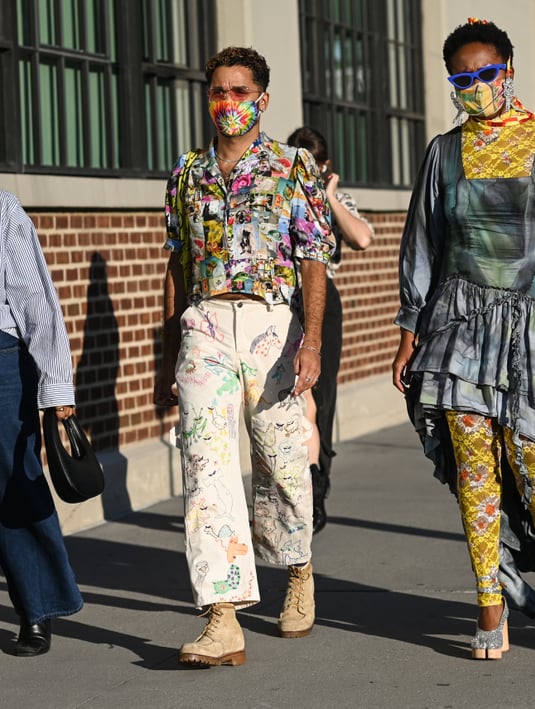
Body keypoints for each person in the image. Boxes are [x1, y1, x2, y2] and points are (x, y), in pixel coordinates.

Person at [392, 18, 535, 661]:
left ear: (509, 71)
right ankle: (489, 607)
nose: (475, 87)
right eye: (461, 79)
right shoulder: (443, 152)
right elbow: (423, 245)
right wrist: (410, 331)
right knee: (474, 472)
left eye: (486, 74)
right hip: (459, 328)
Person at [154, 46, 335, 667]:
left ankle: (299, 569)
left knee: (281, 459)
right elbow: (177, 264)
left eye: (238, 91)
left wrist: (311, 340)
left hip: (271, 324)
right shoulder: (186, 173)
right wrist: (167, 348)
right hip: (204, 322)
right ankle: (222, 616)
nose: (226, 102)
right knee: (205, 467)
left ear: (263, 97)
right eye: (218, 92)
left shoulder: (293, 167)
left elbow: (315, 258)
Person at [0, 190, 84, 657]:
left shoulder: (3, 210)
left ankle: (38, 607)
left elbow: (37, 301)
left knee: (17, 484)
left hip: (3, 360)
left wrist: (56, 390)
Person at [285, 126, 373, 535]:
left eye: (315, 166)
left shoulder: (332, 199)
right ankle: (297, 490)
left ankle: (318, 486)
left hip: (322, 301)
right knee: (295, 401)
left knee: (324, 397)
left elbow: (363, 238)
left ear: (326, 167)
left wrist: (330, 196)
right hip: (283, 301)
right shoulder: (278, 193)